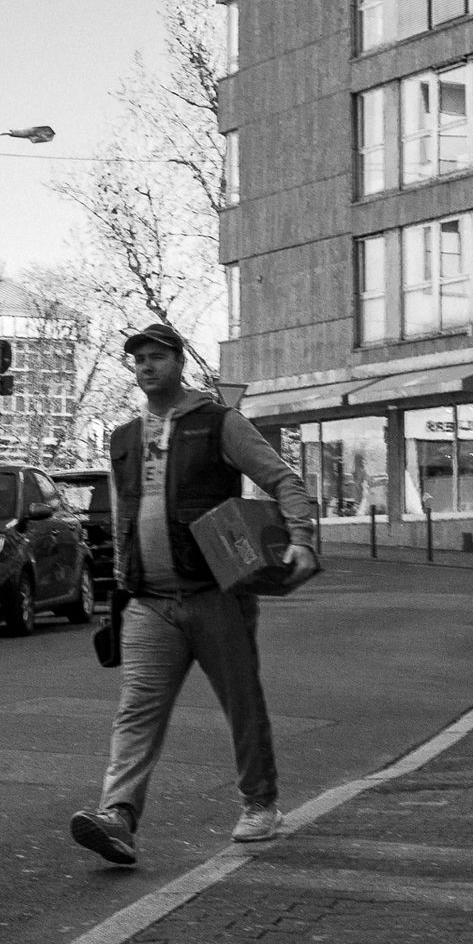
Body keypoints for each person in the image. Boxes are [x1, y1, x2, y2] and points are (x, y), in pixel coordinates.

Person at [69, 323, 318, 867]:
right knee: (136, 712)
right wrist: (119, 591)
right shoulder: (124, 438)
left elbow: (282, 479)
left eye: (156, 357)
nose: (146, 367)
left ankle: (260, 804)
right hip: (148, 603)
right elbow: (123, 518)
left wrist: (300, 538)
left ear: (179, 361)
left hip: (215, 594)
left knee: (241, 703)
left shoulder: (219, 423)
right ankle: (118, 817)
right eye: (137, 360)